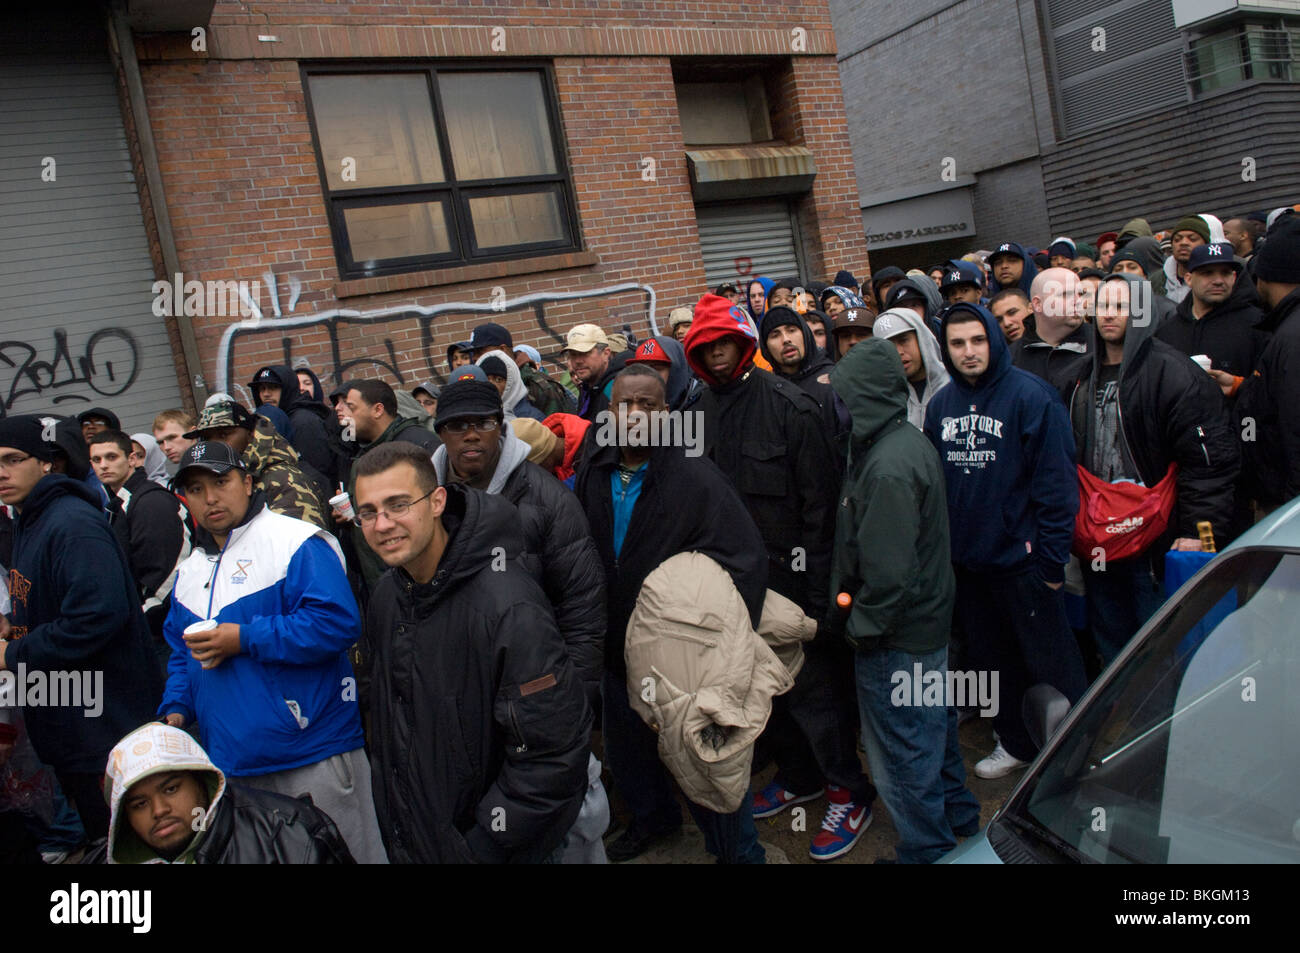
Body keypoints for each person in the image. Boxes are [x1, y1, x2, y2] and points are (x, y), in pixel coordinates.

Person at [684, 294, 873, 860]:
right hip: (731, 591)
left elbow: (822, 512)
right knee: (764, 697)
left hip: (794, 589)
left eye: (726, 343)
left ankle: (848, 790)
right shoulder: (693, 415)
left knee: (817, 695)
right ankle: (799, 778)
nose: (717, 355)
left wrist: (820, 602)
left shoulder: (793, 407)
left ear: (745, 346)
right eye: (705, 347)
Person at [356, 442, 591, 863]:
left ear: (437, 501)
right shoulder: (389, 596)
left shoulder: (507, 605)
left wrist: (482, 844)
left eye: (398, 504)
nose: (382, 524)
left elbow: (551, 755)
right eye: (368, 512)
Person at [576, 366, 770, 862]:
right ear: (608, 411)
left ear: (667, 414)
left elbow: (745, 559)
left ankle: (739, 854)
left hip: (682, 664)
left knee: (705, 765)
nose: (635, 414)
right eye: (625, 404)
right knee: (631, 756)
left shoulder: (694, 476)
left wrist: (716, 653)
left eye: (649, 404)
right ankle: (653, 821)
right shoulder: (594, 469)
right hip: (617, 651)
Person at [160, 441, 387, 863]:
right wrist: (176, 708)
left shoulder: (294, 541)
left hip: (311, 753)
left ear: (247, 482)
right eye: (195, 489)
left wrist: (243, 638)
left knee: (347, 858)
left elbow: (336, 624)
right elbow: (180, 651)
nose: (210, 498)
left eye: (221, 482)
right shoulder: (190, 571)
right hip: (234, 767)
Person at [827, 339, 980, 863]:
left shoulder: (888, 465)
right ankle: (960, 818)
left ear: (865, 396)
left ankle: (928, 849)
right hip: (925, 629)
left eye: (844, 396)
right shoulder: (893, 441)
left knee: (901, 752)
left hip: (895, 639)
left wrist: (860, 629)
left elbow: (889, 575)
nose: (837, 405)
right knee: (932, 732)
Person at [924, 304, 1087, 780]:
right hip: (972, 568)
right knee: (995, 666)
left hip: (1026, 564)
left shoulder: (1030, 396)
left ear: (993, 339)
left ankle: (1074, 753)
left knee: (1054, 665)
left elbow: (1057, 489)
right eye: (957, 344)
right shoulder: (941, 405)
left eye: (977, 340)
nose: (968, 352)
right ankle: (1014, 743)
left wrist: (1052, 565)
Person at [0, 415, 162, 839]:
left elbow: (96, 616)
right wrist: (13, 627)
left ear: (47, 463)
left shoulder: (70, 523)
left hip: (104, 731)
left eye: (12, 460)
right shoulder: (29, 517)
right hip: (71, 726)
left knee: (131, 848)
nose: (1, 473)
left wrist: (12, 654)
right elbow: (50, 606)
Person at [1067, 275, 1238, 664]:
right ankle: (1122, 721)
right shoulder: (1076, 378)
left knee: (1161, 643)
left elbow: (1208, 462)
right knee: (1111, 642)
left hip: (1155, 537)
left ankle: (1165, 722)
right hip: (1096, 537)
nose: (1109, 315)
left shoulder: (1174, 373)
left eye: (1121, 307)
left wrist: (1197, 529)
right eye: (1103, 305)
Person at [430, 374, 605, 706]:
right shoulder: (422, 501)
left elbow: (583, 606)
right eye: (457, 426)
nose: (470, 435)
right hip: (452, 692)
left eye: (482, 423)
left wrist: (573, 698)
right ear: (440, 433)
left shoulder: (547, 500)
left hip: (533, 690)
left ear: (500, 426)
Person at [90, 723, 354, 864]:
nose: (159, 810)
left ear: (203, 781)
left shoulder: (288, 834)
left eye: (171, 789)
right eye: (139, 804)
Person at [88, 429, 191, 663]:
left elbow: (166, 578)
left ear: (132, 459)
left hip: (166, 635)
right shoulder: (120, 503)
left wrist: (137, 624)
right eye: (96, 460)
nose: (103, 465)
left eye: (111, 457)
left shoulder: (150, 502)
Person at [338, 379, 440, 590]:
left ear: (377, 410)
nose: (343, 415)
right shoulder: (363, 455)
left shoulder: (420, 444)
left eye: (351, 407)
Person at [1235, 216, 1300, 514]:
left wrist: (1292, 516)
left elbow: (1295, 428)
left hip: (1285, 507)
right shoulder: (1286, 327)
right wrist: (1240, 387)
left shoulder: (1292, 335)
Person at [185, 396, 329, 530]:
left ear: (250, 434)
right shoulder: (224, 478)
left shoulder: (284, 481)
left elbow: (301, 548)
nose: (215, 445)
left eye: (224, 435)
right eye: (207, 438)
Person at [1155, 243, 1269, 403]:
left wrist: (1238, 385)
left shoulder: (1258, 324)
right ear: (1188, 278)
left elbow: (1273, 388)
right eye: (1207, 273)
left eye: (1225, 273)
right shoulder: (1167, 331)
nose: (1218, 281)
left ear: (1234, 277)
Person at [758, 305, 848, 442]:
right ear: (766, 347)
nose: (786, 339)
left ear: (805, 334)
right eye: (775, 335)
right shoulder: (767, 392)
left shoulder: (835, 379)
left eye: (792, 330)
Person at [246, 365, 340, 489]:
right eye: (262, 389)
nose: (266, 394)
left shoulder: (302, 421)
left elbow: (318, 474)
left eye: (273, 388)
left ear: (287, 389)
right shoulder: (279, 419)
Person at [1012, 267, 1091, 401]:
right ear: (1038, 304)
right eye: (1066, 294)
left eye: (1080, 294)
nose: (1078, 301)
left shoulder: (1102, 344)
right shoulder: (1011, 358)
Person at [870, 308, 951, 430]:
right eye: (889, 346)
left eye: (903, 340)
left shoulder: (953, 386)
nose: (898, 352)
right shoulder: (883, 399)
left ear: (921, 338)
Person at [624, 334, 700, 410]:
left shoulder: (703, 404)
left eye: (656, 369)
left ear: (676, 372)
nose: (647, 377)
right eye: (641, 370)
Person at [562, 323, 617, 422]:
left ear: (606, 353)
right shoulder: (587, 389)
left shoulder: (617, 389)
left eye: (585, 353)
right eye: (573, 355)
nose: (578, 361)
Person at [1163, 214, 1223, 304]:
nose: (1183, 243)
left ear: (1206, 244)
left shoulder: (1218, 277)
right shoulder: (1158, 279)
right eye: (1177, 239)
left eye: (1192, 239)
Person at [478, 352, 546, 422]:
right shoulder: (474, 415)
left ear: (510, 383)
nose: (491, 385)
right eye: (486, 379)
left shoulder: (532, 420)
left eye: (498, 380)